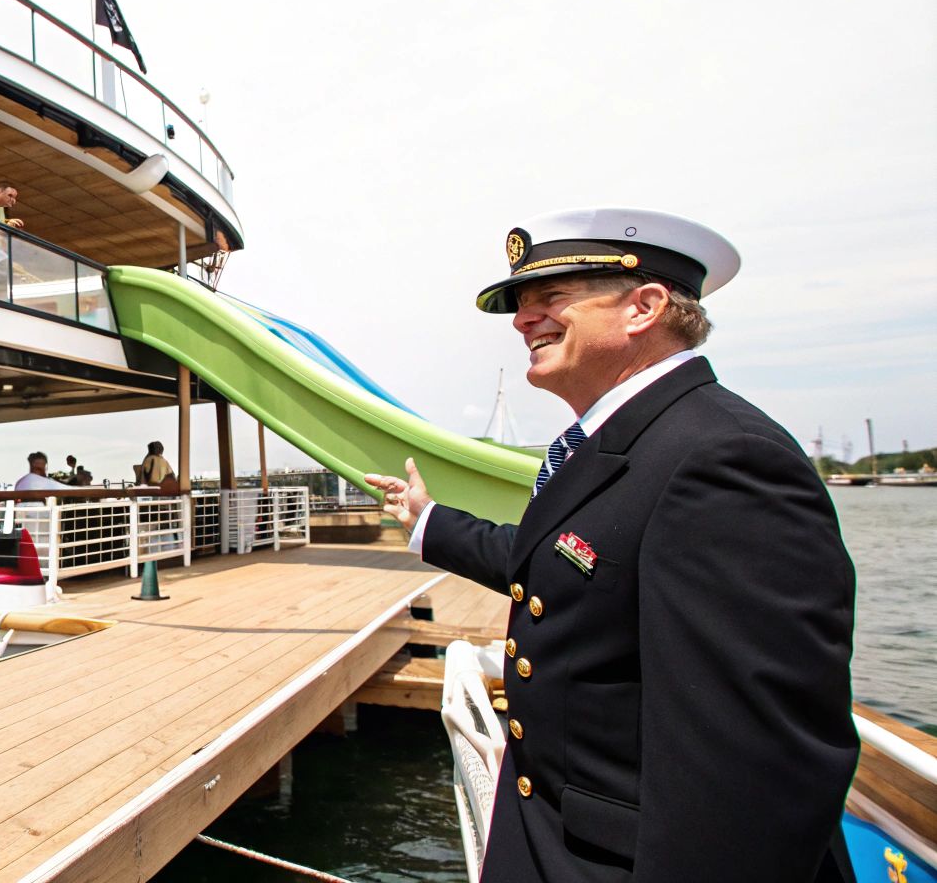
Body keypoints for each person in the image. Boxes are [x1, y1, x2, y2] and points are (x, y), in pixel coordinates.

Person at [364, 209, 856, 882]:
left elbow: (753, 775)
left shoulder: (723, 459)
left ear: (644, 307)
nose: (521, 320)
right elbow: (559, 565)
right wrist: (428, 521)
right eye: (520, 305)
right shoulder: (630, 446)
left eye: (551, 297)